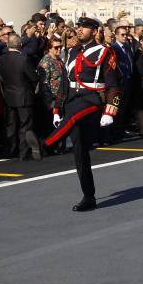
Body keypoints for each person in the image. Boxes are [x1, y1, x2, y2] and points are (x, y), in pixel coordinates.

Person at [43, 15, 120, 211]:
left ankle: (46, 145)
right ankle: (89, 196)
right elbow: (64, 84)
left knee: (74, 117)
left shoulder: (105, 52)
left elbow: (112, 84)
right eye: (78, 27)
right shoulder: (72, 51)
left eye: (84, 27)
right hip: (72, 100)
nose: (79, 30)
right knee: (80, 152)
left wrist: (110, 110)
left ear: (94, 32)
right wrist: (57, 109)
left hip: (92, 99)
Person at [0, 33, 40, 160]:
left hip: (8, 95)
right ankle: (23, 152)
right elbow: (33, 77)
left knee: (11, 125)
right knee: (25, 126)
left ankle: (12, 150)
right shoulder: (23, 59)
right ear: (20, 45)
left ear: (7, 44)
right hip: (24, 96)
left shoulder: (1, 59)